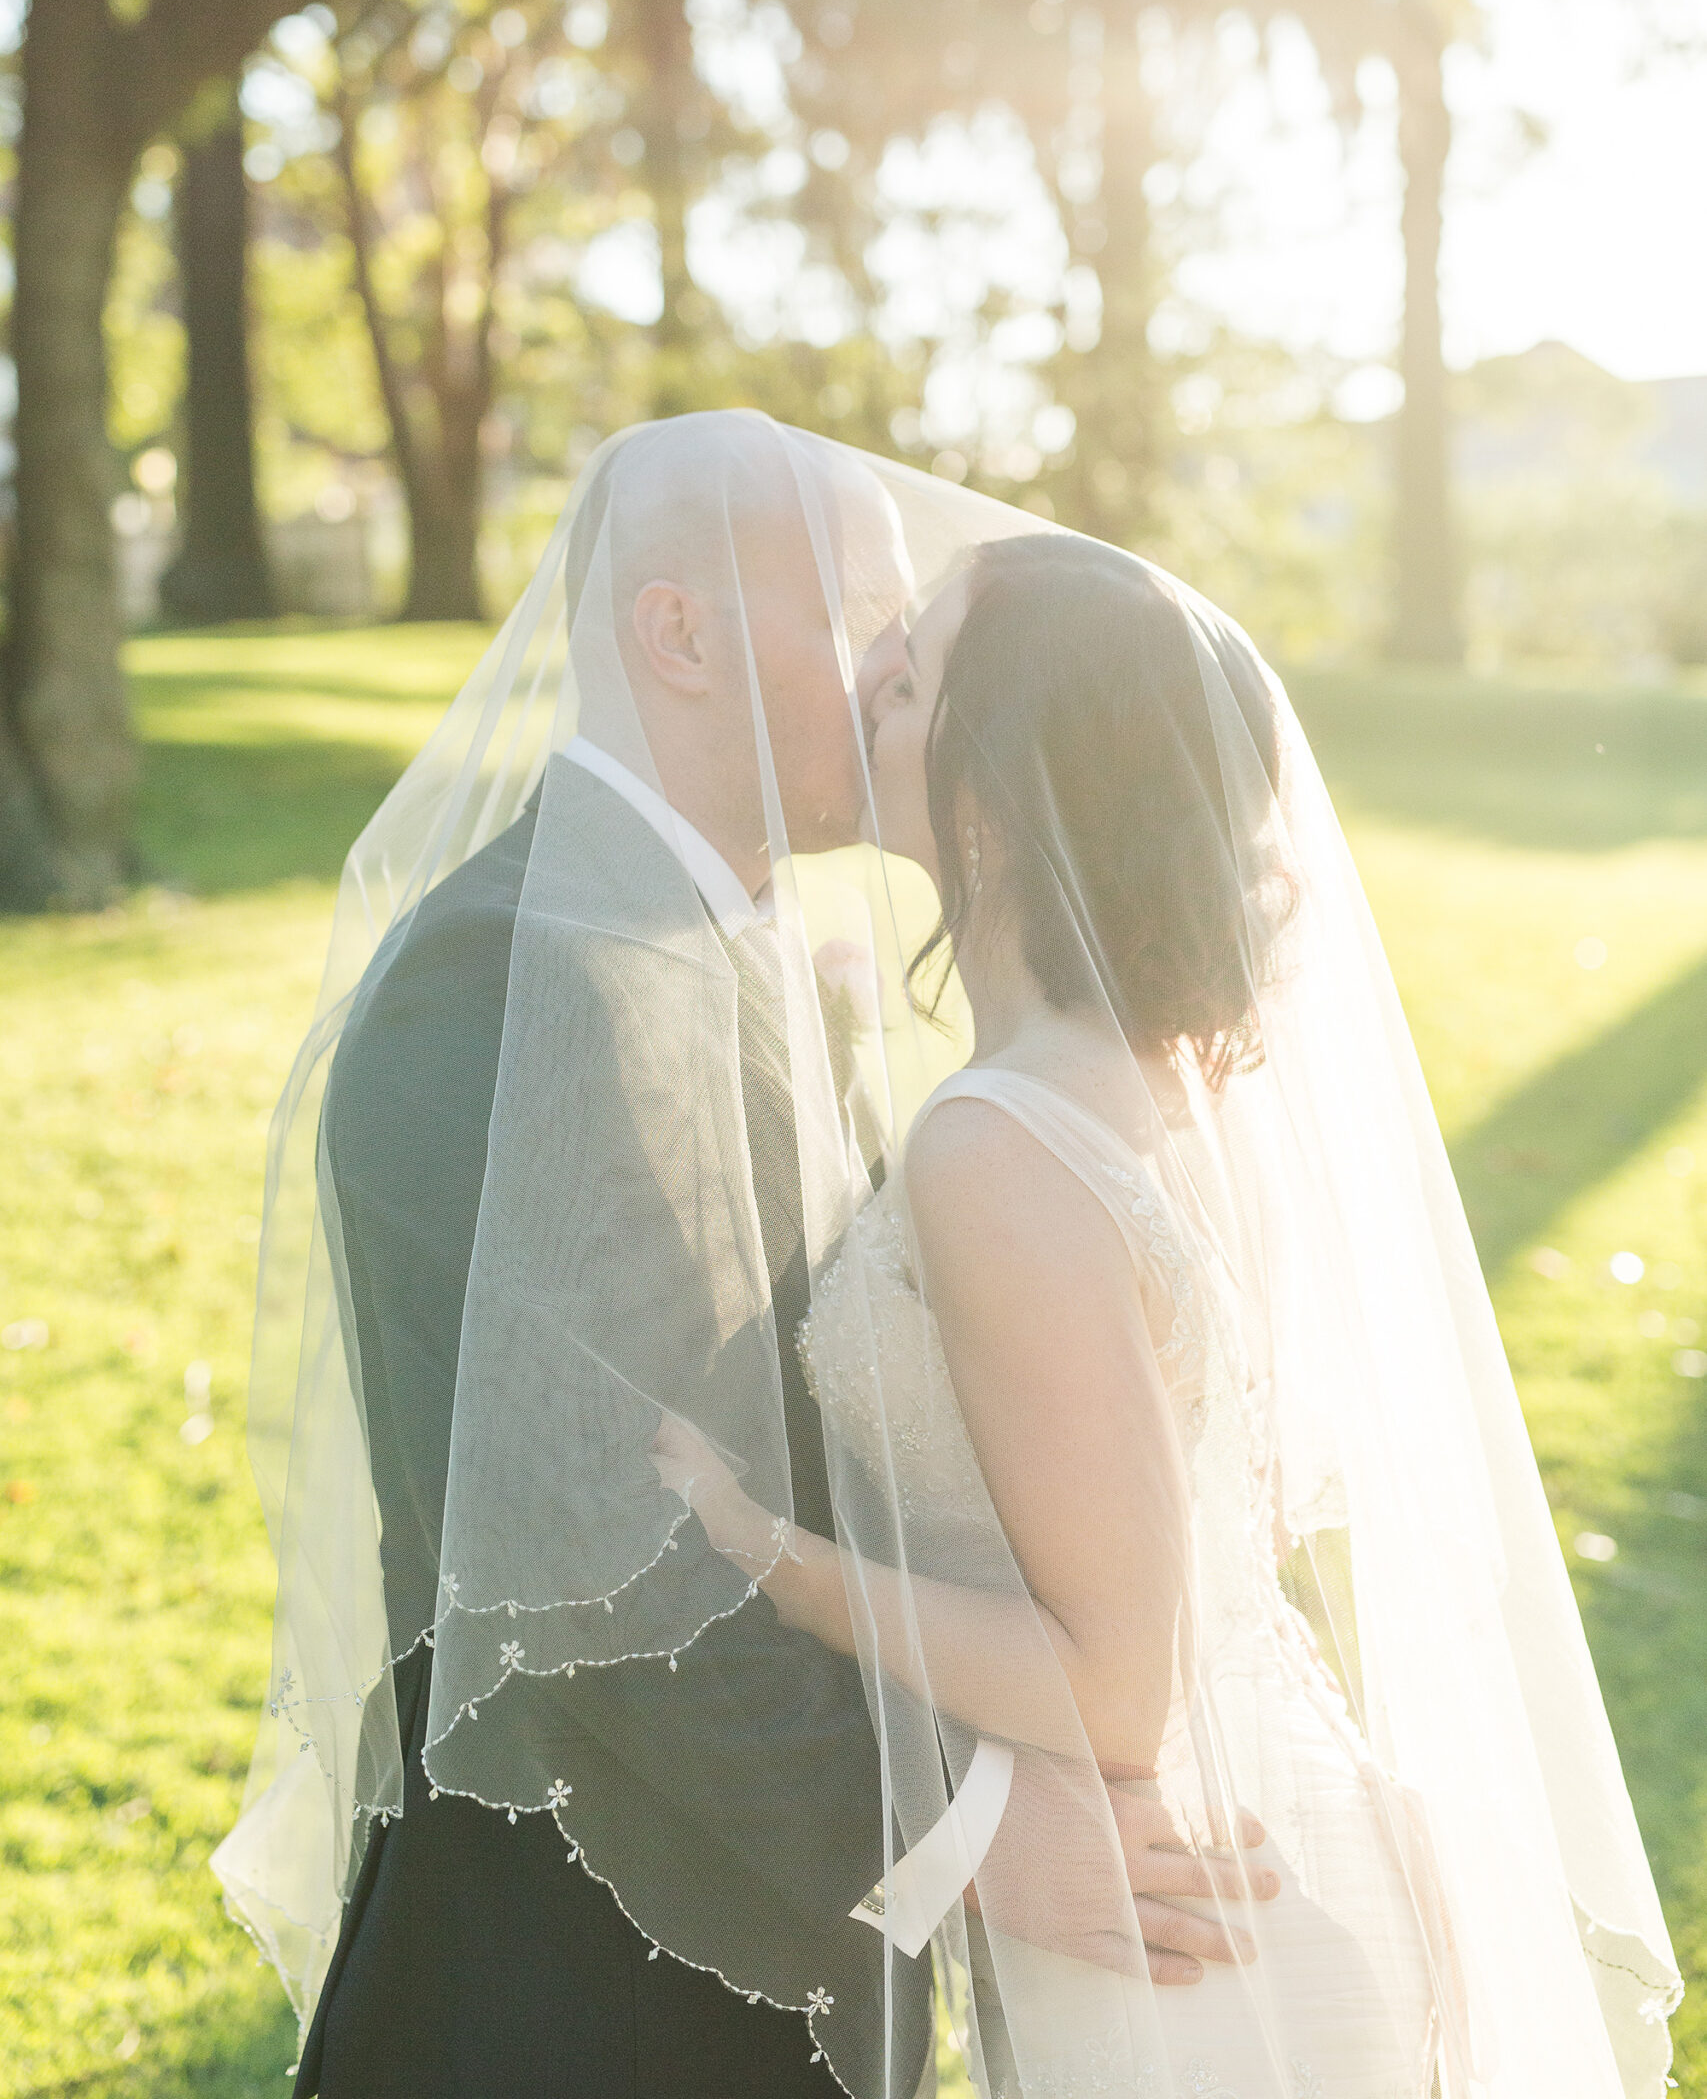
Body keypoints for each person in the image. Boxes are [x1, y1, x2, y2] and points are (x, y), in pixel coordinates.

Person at [213, 419, 1271, 2099]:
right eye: (859, 611)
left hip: (810, 1979)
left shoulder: (775, 951)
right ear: (678, 633)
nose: (889, 677)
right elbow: (599, 1566)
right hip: (573, 1996)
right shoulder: (483, 990)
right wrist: (969, 1837)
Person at [654, 522, 1682, 2098]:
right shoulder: (1162, 1085)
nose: (868, 679)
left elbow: (1113, 1684)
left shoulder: (997, 1141)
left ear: (993, 801)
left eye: (914, 675)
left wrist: (774, 1562)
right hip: (1235, 1862)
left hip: (1196, 1935)